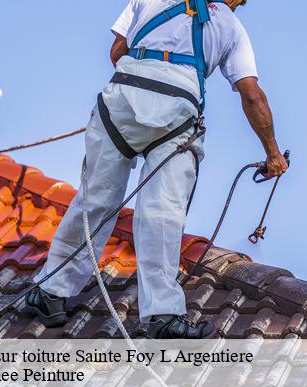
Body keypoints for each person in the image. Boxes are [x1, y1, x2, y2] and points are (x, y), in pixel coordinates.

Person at [26, 0, 288, 339]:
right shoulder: (232, 27)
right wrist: (273, 155)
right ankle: (162, 317)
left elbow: (118, 50)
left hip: (121, 101)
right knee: (162, 214)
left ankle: (50, 291)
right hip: (177, 113)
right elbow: (251, 95)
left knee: (95, 200)